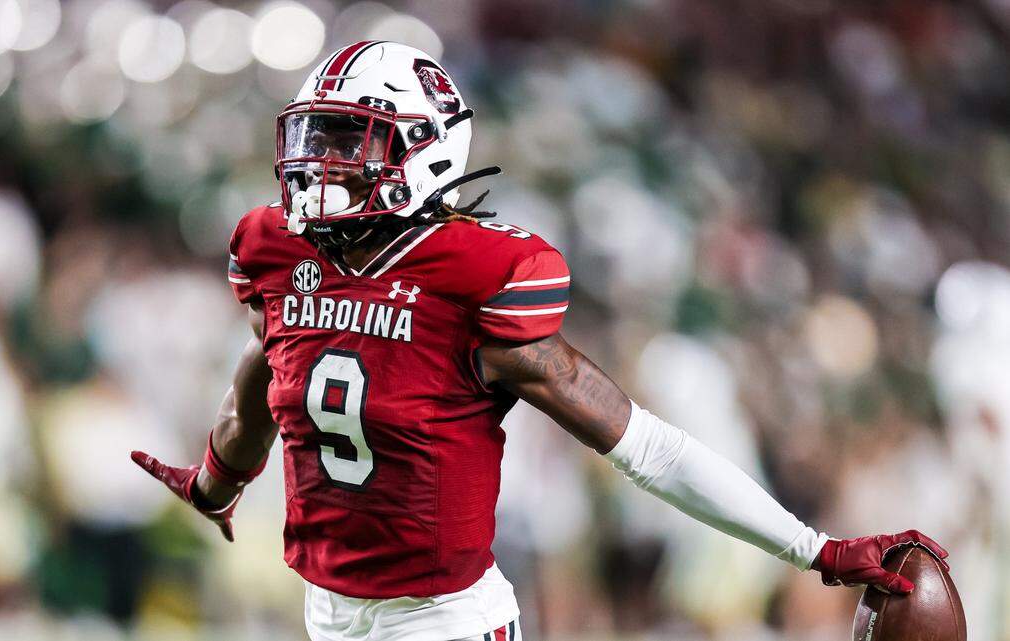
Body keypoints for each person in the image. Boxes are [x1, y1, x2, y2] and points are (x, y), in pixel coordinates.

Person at [131, 41, 949, 641]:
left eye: (352, 140)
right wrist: (213, 481)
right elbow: (266, 373)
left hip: (443, 623)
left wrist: (814, 548)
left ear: (427, 151)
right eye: (319, 137)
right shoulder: (279, 254)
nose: (322, 163)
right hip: (324, 612)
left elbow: (648, 448)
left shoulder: (474, 278)